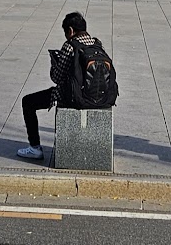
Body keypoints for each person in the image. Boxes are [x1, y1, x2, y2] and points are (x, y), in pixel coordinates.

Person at [14, 12, 116, 160]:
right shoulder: (97, 44)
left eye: (66, 32)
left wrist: (54, 63)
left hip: (74, 98)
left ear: (71, 30)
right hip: (100, 98)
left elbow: (57, 78)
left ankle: (35, 148)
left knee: (28, 102)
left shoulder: (70, 46)